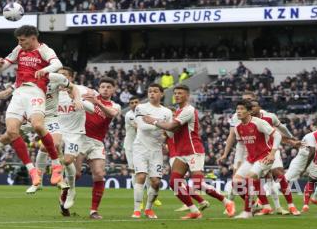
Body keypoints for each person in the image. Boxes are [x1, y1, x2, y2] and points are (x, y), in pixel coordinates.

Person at [143, 85, 235, 219]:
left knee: (197, 183)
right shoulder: (178, 112)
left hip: (193, 151)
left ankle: (227, 202)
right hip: (180, 153)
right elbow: (170, 132)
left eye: (180, 93)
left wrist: (154, 121)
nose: (177, 95)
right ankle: (194, 211)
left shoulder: (189, 110)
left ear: (187, 96)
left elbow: (171, 126)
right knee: (174, 182)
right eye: (175, 93)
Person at [0, 25, 65, 188]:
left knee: (38, 126)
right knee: (11, 132)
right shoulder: (19, 49)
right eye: (19, 40)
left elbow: (57, 64)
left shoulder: (45, 50)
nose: (20, 43)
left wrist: (44, 70)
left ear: (33, 38)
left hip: (35, 91)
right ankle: (32, 170)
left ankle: (56, 164)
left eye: (23, 40)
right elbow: (3, 67)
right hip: (18, 93)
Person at [75, 77, 121, 219]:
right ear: (98, 88)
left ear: (114, 89)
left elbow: (111, 114)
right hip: (81, 138)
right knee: (75, 175)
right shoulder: (89, 97)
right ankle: (64, 200)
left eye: (108, 87)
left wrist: (98, 103)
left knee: (99, 174)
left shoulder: (115, 105)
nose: (105, 89)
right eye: (103, 87)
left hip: (97, 142)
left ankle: (93, 211)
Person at [232, 100, 282, 219]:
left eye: (242, 109)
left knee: (249, 178)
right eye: (237, 109)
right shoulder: (238, 127)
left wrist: (272, 153)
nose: (239, 111)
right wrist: (237, 165)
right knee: (236, 183)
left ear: (249, 111)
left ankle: (247, 212)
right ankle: (257, 205)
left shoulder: (259, 123)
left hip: (265, 156)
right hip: (251, 159)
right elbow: (240, 146)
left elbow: (277, 135)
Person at [56, 67, 95, 215]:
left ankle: (71, 189)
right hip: (58, 131)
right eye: (58, 76)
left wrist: (76, 99)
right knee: (49, 147)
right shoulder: (52, 92)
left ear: (71, 78)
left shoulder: (79, 90)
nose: (61, 78)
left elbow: (91, 109)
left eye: (64, 75)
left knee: (67, 161)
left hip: (74, 133)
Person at [131, 84, 172, 219]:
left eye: (155, 91)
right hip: (140, 147)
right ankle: (137, 210)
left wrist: (159, 125)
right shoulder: (141, 107)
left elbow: (170, 132)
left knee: (155, 182)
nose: (152, 94)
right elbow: (142, 126)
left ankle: (148, 209)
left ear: (161, 94)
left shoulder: (167, 112)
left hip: (156, 149)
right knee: (141, 176)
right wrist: (161, 125)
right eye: (150, 91)